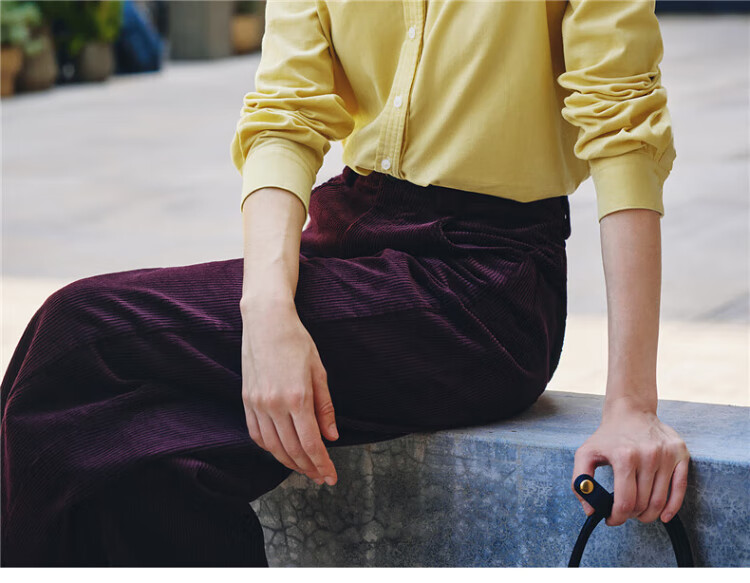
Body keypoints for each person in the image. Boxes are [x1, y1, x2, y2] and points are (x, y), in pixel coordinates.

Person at [1, 0, 690, 567]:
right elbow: (285, 113)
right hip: (349, 231)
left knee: (77, 333)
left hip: (483, 282)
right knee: (143, 464)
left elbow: (624, 129)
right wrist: (266, 312)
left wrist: (631, 404)